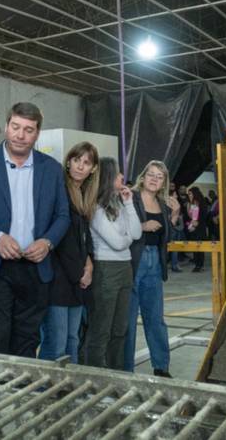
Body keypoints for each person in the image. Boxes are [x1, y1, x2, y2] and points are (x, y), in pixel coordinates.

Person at [0, 102, 69, 357]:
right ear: (6, 127)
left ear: (37, 134)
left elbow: (63, 215)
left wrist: (47, 242)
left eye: (28, 130)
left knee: (27, 340)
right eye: (15, 127)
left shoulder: (51, 168)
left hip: (35, 267)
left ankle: (22, 384)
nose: (20, 135)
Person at [38, 142, 98, 363]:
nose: (80, 166)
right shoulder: (59, 189)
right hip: (58, 278)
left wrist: (89, 265)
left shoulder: (83, 195)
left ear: (93, 168)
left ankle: (70, 382)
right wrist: (80, 273)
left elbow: (84, 237)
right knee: (56, 341)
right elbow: (61, 240)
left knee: (72, 339)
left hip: (77, 278)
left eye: (86, 162)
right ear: (68, 162)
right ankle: (46, 384)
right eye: (76, 160)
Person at [83, 157, 142, 369]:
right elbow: (118, 243)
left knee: (120, 328)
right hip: (106, 269)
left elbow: (136, 233)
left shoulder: (120, 204)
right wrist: (126, 238)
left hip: (125, 268)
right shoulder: (96, 209)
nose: (122, 177)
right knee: (102, 328)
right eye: (118, 173)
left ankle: (116, 372)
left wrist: (129, 204)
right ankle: (95, 375)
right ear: (108, 177)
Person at [124, 161, 180, 377]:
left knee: (155, 318)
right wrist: (142, 226)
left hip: (155, 261)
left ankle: (161, 366)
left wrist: (174, 215)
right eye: (151, 174)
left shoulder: (163, 204)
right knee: (128, 320)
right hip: (133, 260)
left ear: (164, 182)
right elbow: (119, 227)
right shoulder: (131, 197)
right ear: (143, 176)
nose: (154, 179)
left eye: (160, 176)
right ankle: (125, 368)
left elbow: (168, 238)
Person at [186, 186, 206, 272]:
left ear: (195, 194)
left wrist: (195, 224)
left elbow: (201, 217)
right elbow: (189, 217)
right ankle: (197, 263)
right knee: (195, 246)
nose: (189, 195)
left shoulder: (199, 203)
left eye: (190, 194)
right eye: (188, 194)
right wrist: (190, 226)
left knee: (199, 246)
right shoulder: (191, 203)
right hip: (193, 227)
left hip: (199, 228)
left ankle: (199, 265)